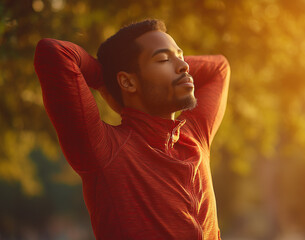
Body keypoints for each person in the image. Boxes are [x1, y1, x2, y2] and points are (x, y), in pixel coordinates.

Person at [34, 19, 230, 240]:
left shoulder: (195, 136)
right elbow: (54, 53)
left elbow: (219, 68)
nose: (184, 66)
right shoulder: (105, 150)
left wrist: (170, 66)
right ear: (127, 82)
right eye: (163, 59)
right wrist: (107, 78)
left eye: (181, 56)